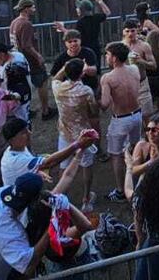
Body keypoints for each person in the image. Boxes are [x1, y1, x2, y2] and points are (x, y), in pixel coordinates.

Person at [50, 57, 100, 211]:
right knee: (86, 165)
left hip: (65, 133)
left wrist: (64, 68)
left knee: (64, 166)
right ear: (82, 74)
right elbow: (94, 111)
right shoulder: (86, 91)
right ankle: (86, 199)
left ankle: (61, 199)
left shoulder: (57, 88)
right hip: (83, 135)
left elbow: (55, 78)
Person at [0, 116, 97, 187]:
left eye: (27, 130)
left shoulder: (17, 149)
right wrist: (77, 144)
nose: (30, 133)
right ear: (12, 140)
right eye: (23, 133)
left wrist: (37, 171)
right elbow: (50, 162)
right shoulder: (16, 160)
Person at [100, 41, 142, 203]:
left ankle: (120, 191)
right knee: (135, 148)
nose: (106, 57)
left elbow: (104, 105)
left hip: (121, 120)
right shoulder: (134, 69)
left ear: (114, 58)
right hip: (137, 115)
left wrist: (92, 99)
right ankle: (136, 182)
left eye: (107, 54)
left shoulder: (108, 78)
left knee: (116, 155)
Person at [9, 0, 55, 120]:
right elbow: (27, 46)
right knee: (42, 81)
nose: (34, 9)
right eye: (32, 7)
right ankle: (45, 111)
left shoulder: (14, 22)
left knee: (23, 86)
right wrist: (38, 56)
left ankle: (26, 110)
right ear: (26, 9)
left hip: (18, 59)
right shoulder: (26, 24)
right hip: (29, 60)